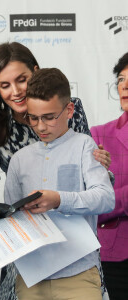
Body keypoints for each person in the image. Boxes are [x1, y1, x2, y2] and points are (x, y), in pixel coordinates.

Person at [0, 42, 112, 300]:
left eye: (22, 80)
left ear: (35, 72)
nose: (16, 91)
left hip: (75, 255)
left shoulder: (71, 108)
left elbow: (93, 178)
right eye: (4, 85)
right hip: (29, 256)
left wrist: (99, 166)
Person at [4, 67, 115, 300]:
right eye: (33, 118)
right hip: (31, 278)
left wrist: (58, 200)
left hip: (79, 274)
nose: (41, 126)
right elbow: (12, 219)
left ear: (69, 110)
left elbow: (105, 198)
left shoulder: (85, 146)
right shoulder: (19, 160)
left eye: (49, 117)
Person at [90, 53, 128, 300]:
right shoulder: (99, 136)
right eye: (121, 79)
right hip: (114, 257)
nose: (124, 86)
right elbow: (91, 205)